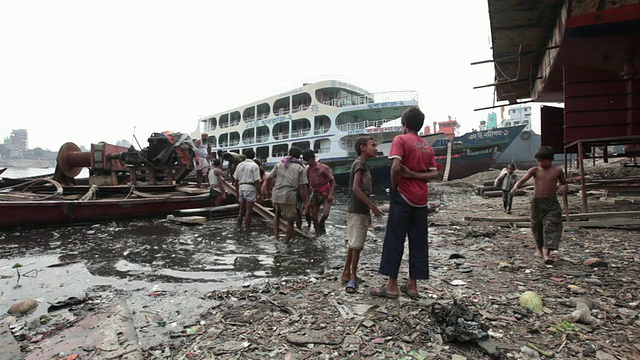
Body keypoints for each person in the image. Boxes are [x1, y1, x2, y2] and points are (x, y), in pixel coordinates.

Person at [371, 106, 438, 299]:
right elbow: (434, 173)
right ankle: (413, 285)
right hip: (421, 199)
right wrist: (418, 176)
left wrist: (395, 187)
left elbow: (395, 168)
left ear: (404, 125)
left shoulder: (400, 140)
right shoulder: (427, 146)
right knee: (418, 241)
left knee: (394, 239)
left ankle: (391, 285)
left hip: (404, 196)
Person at [511, 146, 568, 265]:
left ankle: (547, 254)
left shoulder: (557, 171)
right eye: (539, 160)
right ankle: (539, 248)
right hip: (537, 202)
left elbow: (564, 183)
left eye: (543, 160)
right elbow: (522, 180)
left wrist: (563, 187)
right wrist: (516, 187)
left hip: (551, 202)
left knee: (551, 226)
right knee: (536, 226)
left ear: (551, 160)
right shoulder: (534, 170)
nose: (541, 163)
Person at [341, 137, 384, 294]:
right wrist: (372, 207)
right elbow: (356, 188)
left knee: (353, 244)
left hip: (359, 210)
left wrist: (368, 210)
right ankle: (352, 276)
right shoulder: (359, 164)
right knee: (356, 246)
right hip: (357, 210)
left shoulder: (363, 164)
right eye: (373, 145)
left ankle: (346, 272)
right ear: (362, 148)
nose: (376, 148)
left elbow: (363, 190)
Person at [268, 146, 309, 244]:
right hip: (289, 196)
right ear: (299, 157)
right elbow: (303, 186)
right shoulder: (300, 167)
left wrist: (267, 189)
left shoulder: (279, 164)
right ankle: (286, 242)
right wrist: (306, 202)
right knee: (291, 221)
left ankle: (276, 237)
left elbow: (269, 178)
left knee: (276, 216)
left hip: (276, 194)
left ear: (288, 153)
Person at [302, 149, 336, 235]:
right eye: (306, 161)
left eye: (309, 160)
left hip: (326, 192)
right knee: (314, 216)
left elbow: (332, 181)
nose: (308, 162)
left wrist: (331, 194)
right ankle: (317, 234)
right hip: (315, 192)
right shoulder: (307, 170)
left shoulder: (323, 168)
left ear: (313, 158)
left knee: (325, 214)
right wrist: (307, 201)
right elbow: (306, 185)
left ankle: (322, 223)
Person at [233, 149, 261, 229]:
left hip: (241, 187)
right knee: (248, 211)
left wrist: (237, 191)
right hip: (250, 187)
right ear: (254, 156)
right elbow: (256, 181)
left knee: (241, 211)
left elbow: (236, 180)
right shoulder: (254, 166)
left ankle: (238, 227)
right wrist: (259, 193)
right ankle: (247, 229)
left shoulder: (239, 165)